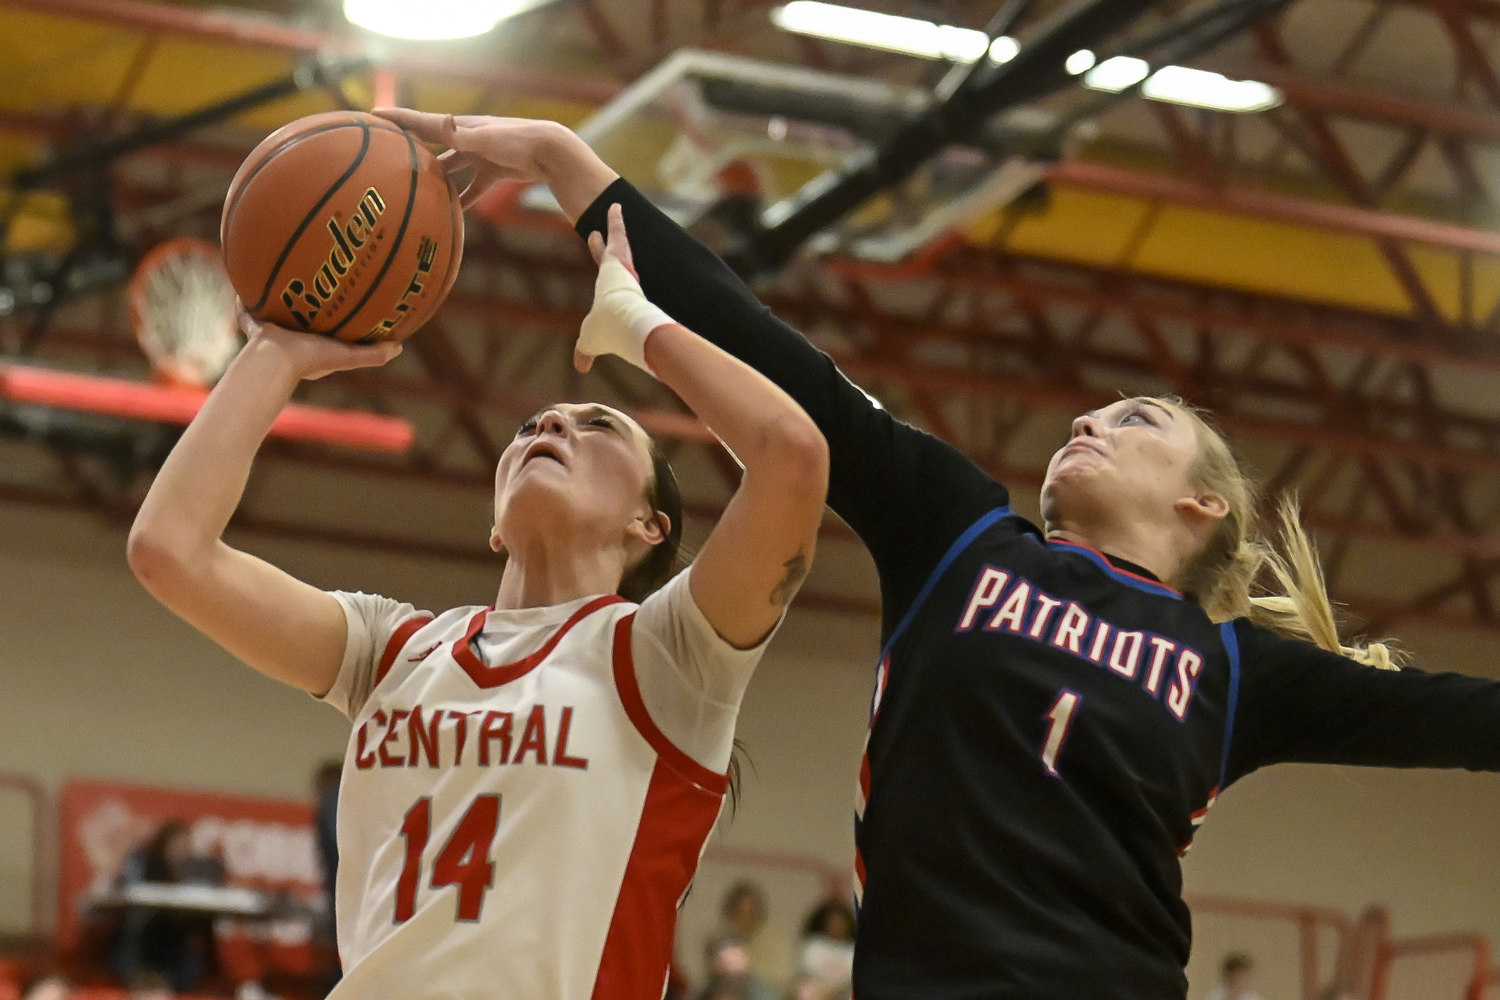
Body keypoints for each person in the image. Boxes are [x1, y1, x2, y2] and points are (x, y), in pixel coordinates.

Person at [370, 107, 1500, 1000]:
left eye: (1136, 418)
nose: (1087, 424)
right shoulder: (963, 532)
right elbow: (786, 364)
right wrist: (575, 172)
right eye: (1089, 416)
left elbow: (1460, 717)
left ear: (1204, 504)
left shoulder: (1235, 668)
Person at [127, 204, 829, 998]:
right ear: (494, 526)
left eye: (596, 422)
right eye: (532, 423)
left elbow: (793, 457)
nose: (550, 425)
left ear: (648, 524)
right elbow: (170, 552)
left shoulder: (668, 660)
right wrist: (273, 353)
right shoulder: (391, 650)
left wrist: (635, 327)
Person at [108, 819, 219, 993]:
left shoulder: (192, 872)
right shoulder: (147, 864)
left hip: (174, 943)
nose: (183, 851)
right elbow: (129, 896)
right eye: (178, 845)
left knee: (193, 956)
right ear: (166, 844)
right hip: (143, 939)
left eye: (187, 846)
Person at [791, 898, 855, 1000]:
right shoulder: (813, 946)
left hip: (844, 992)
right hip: (817, 990)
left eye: (840, 922)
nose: (836, 926)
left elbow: (851, 977)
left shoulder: (852, 950)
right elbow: (808, 972)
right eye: (832, 921)